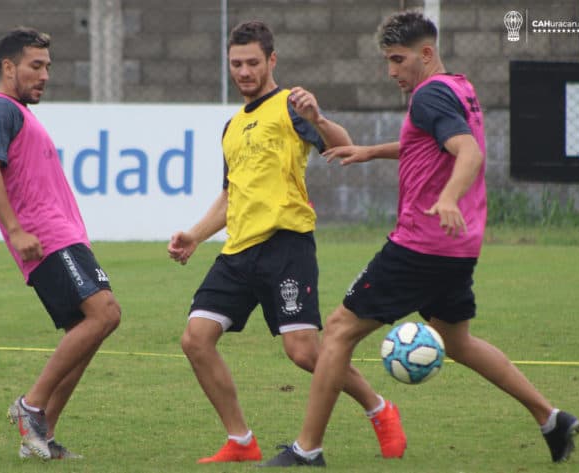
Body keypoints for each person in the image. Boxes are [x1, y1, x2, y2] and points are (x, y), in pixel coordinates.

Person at [261, 11, 579, 467]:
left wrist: (449, 197)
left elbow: (467, 152)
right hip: (457, 246)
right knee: (458, 342)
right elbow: (434, 142)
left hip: (421, 243)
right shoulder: (459, 87)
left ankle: (306, 449)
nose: (391, 70)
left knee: (337, 331)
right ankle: (552, 418)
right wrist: (372, 151)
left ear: (425, 54)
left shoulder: (429, 95)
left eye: (397, 59)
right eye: (387, 60)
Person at [167, 20, 406, 465]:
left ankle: (379, 408)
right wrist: (195, 235)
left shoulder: (291, 106)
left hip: (286, 246)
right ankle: (240, 441)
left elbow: (343, 147)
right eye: (236, 63)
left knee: (304, 353)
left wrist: (318, 119)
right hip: (238, 251)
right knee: (196, 339)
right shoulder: (232, 126)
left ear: (271, 61)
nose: (244, 71)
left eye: (253, 62)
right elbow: (231, 194)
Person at [0, 27, 121, 460]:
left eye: (47, 67)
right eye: (35, 66)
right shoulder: (0, 109)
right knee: (105, 313)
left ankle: (41, 436)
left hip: (63, 237)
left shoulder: (20, 112)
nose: (44, 75)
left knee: (88, 328)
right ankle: (30, 406)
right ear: (7, 67)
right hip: (46, 239)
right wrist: (16, 231)